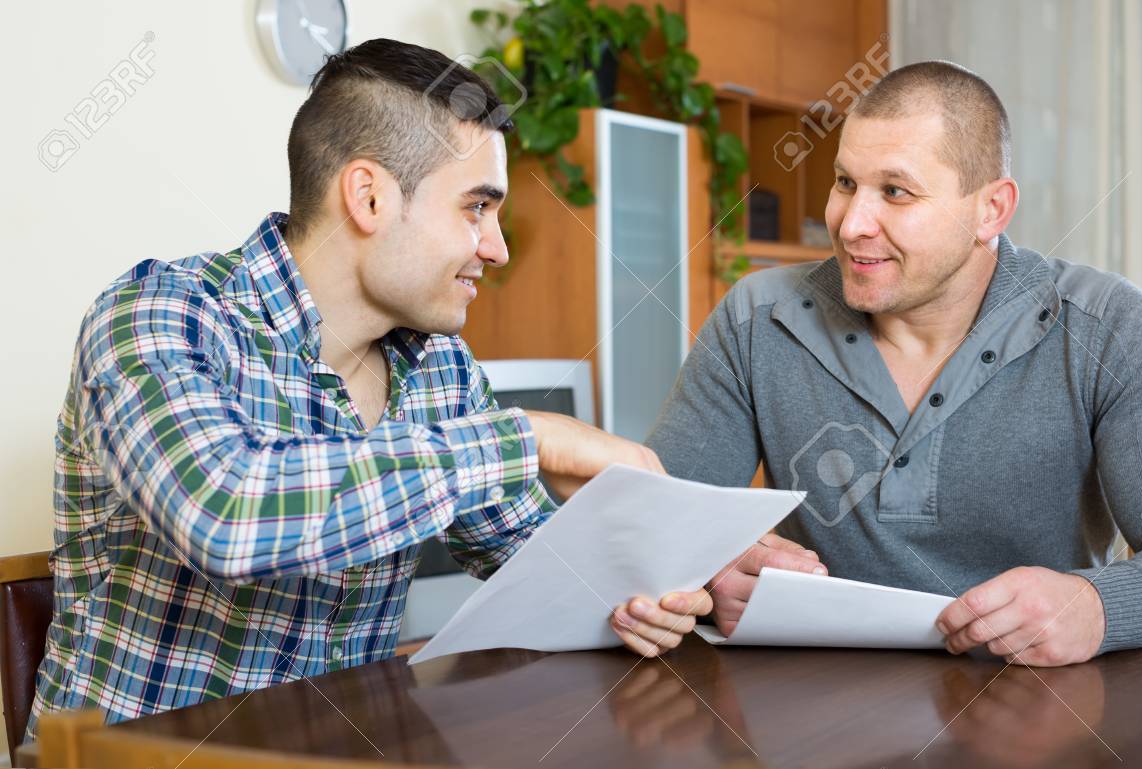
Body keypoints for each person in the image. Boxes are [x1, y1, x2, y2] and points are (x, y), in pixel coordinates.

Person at [27, 39, 720, 737]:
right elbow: (225, 516)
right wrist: (529, 438)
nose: (497, 247)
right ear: (369, 197)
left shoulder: (439, 367)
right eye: (476, 207)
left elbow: (541, 564)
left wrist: (657, 587)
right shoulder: (159, 315)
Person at [646, 61, 1142, 666]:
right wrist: (712, 572)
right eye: (845, 183)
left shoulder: (1108, 328)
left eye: (895, 192)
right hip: (812, 704)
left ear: (990, 209)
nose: (852, 223)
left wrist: (1096, 606)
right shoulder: (756, 319)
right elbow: (655, 531)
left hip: (1036, 703)